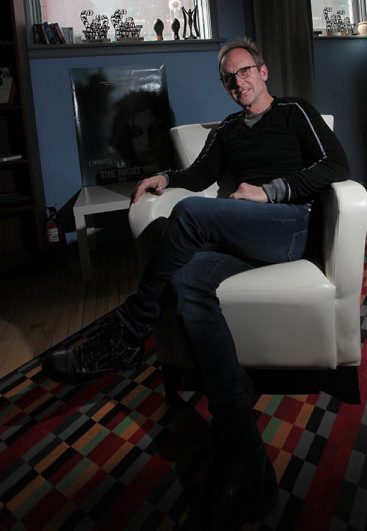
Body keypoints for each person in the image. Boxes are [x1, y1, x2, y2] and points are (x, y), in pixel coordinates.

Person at [43, 37, 350, 530]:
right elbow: (199, 174)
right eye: (230, 78)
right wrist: (164, 177)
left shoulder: (296, 112)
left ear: (264, 71)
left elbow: (337, 166)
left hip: (290, 224)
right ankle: (242, 450)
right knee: (188, 281)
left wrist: (270, 191)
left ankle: (128, 332)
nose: (239, 83)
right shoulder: (228, 130)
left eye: (246, 72)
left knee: (188, 218)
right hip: (245, 233)